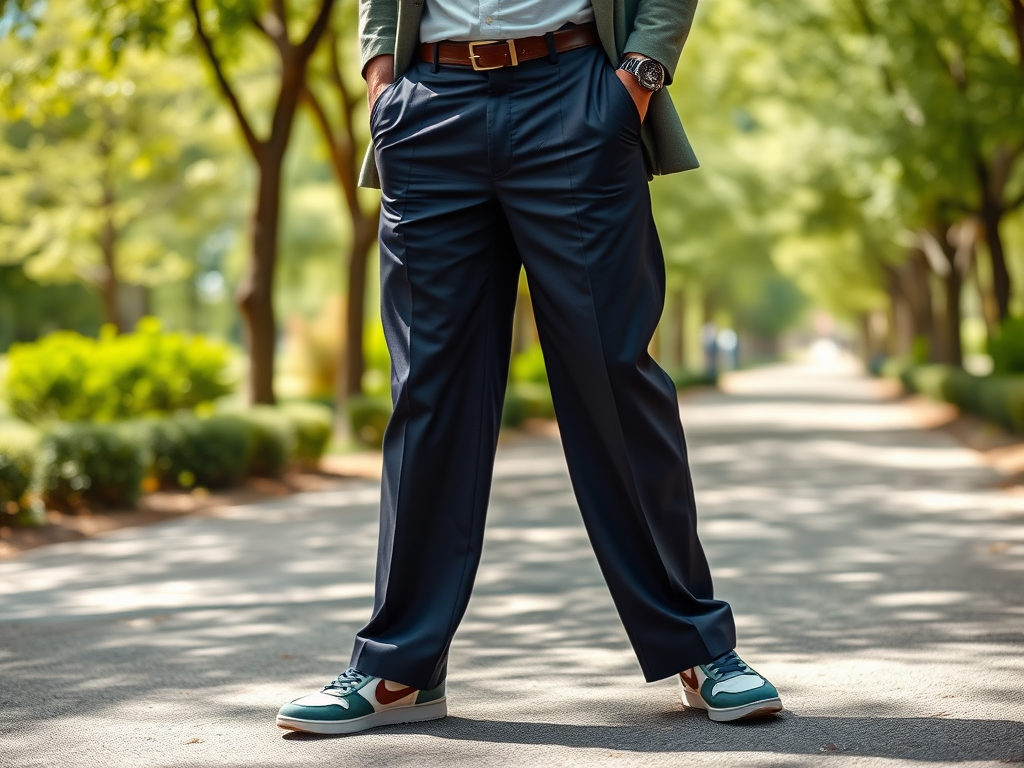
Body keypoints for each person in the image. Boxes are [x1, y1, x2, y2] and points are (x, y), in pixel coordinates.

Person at [277, 0, 782, 734]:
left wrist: (638, 76)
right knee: (428, 394)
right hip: (428, 104)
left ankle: (700, 649)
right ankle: (399, 670)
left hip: (577, 94)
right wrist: (381, 81)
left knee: (614, 380)